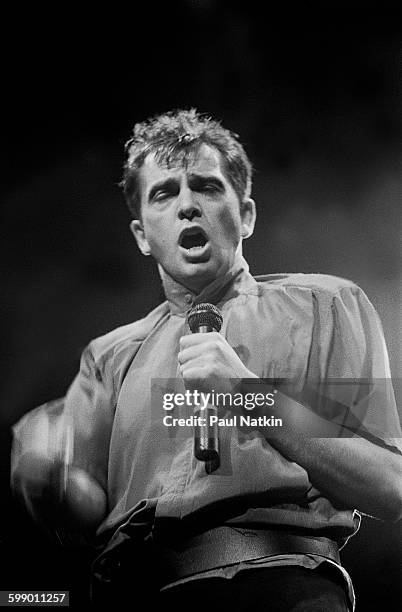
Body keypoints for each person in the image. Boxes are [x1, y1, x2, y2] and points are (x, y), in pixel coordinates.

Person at [11, 109, 402, 611]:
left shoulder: (321, 308)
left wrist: (247, 395)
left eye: (207, 187)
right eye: (164, 193)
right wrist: (48, 483)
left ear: (247, 215)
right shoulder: (110, 356)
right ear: (140, 234)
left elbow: (387, 487)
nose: (187, 206)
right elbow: (87, 509)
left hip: (278, 587)